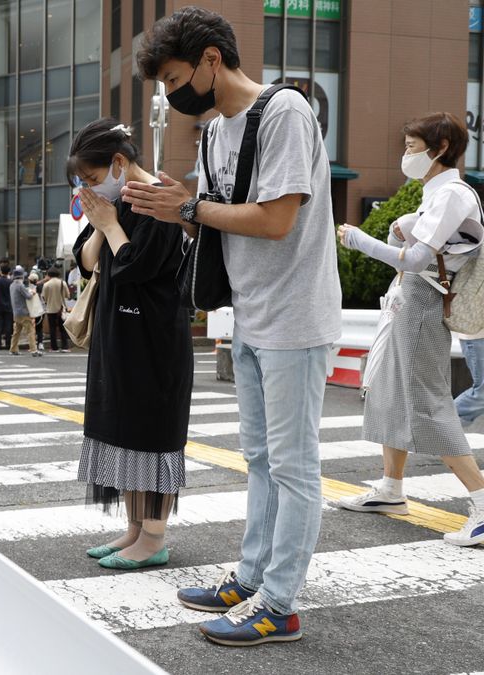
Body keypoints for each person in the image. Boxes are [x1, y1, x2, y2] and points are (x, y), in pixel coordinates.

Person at [127, 7, 341, 646]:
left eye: (174, 77)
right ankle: (251, 578)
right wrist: (178, 210)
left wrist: (192, 206)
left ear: (212, 59)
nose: (172, 93)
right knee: (259, 458)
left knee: (293, 466)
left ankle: (280, 603)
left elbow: (276, 220)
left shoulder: (285, 113)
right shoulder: (218, 130)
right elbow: (222, 217)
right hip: (248, 312)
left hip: (295, 317)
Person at [335, 113, 484, 548]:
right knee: (386, 388)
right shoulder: (435, 193)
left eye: (412, 148)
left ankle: (480, 500)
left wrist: (361, 241)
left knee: (425, 400)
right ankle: (390, 488)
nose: (406, 155)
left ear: (439, 149)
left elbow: (417, 258)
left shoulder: (453, 194)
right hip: (407, 297)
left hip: (422, 299)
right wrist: (402, 229)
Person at [67, 117, 193, 576]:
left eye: (94, 178)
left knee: (150, 431)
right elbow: (86, 261)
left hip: (154, 338)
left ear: (119, 162)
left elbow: (137, 266)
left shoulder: (161, 198)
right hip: (119, 335)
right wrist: (102, 222)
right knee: (123, 429)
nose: (92, 187)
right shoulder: (118, 204)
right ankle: (135, 528)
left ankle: (154, 537)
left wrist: (110, 223)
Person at [9, 267, 40, 356]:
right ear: (21, 276)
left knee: (16, 331)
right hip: (23, 312)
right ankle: (34, 350)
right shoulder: (20, 285)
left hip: (16, 312)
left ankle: (13, 349)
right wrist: (33, 292)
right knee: (30, 330)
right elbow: (28, 296)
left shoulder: (12, 285)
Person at [40, 268, 70, 352]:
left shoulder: (46, 284)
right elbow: (68, 295)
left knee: (52, 329)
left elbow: (43, 297)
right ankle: (65, 347)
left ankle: (54, 347)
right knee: (62, 328)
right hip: (61, 309)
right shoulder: (62, 283)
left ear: (49, 275)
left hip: (50, 309)